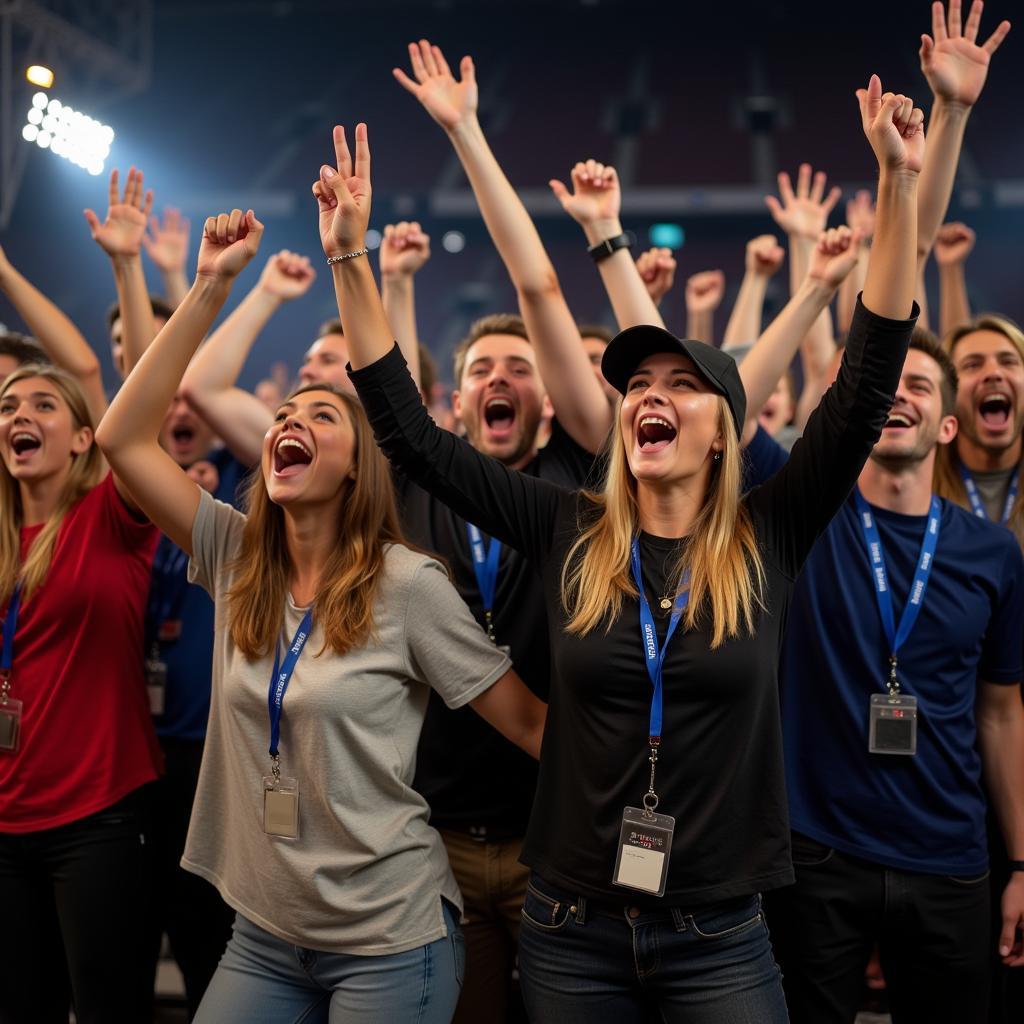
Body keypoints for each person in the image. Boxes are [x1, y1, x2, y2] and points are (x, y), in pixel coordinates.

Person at [324, 66, 921, 1020]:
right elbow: (408, 434)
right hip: (572, 928)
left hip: (720, 934)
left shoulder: (769, 532)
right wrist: (352, 261)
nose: (652, 394)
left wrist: (897, 182)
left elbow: (873, 364)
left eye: (683, 385)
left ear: (724, 427)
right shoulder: (570, 529)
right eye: (637, 382)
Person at [96, 203, 547, 1024]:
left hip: (390, 938)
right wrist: (208, 286)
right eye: (283, 417)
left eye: (322, 415)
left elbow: (529, 725)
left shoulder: (408, 583)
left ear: (356, 468)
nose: (291, 423)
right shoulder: (233, 554)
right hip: (265, 934)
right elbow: (123, 438)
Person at [0, 362, 161, 1023]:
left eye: (44, 405)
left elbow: (136, 408)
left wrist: (127, 267)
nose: (19, 416)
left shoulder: (112, 515)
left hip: (100, 818)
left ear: (83, 438)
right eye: (9, 406)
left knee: (108, 1013)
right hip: (6, 824)